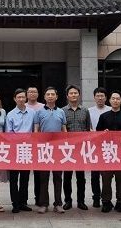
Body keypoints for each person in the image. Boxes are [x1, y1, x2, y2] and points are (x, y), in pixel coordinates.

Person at [96, 91, 121, 213]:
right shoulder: (104, 116)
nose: (115, 101)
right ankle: (106, 202)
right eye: (113, 98)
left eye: (118, 99)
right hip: (107, 152)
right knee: (106, 179)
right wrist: (104, 133)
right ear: (110, 100)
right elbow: (97, 133)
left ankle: (120, 202)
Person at [34, 86, 67, 214]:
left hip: (58, 149)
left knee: (58, 177)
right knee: (43, 178)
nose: (50, 96)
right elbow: (36, 130)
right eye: (48, 94)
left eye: (53, 94)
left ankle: (58, 204)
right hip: (44, 149)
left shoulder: (61, 112)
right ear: (44, 97)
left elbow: (64, 130)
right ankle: (43, 204)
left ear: (57, 97)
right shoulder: (39, 112)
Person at [6, 88, 36, 213]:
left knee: (25, 177)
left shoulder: (32, 113)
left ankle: (23, 202)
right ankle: (15, 203)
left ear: (26, 98)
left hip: (27, 149)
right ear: (15, 99)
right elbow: (9, 133)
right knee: (13, 178)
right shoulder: (10, 114)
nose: (21, 99)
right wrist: (20, 139)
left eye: (23, 97)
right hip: (14, 150)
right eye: (19, 97)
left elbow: (35, 130)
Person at [62, 85, 90, 211]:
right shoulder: (62, 111)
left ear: (79, 95)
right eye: (71, 93)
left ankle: (81, 201)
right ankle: (68, 201)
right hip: (67, 149)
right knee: (67, 177)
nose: (73, 95)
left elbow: (88, 129)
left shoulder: (85, 111)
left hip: (80, 149)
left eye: (75, 93)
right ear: (67, 96)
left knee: (81, 177)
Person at [87, 87, 110, 208]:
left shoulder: (111, 109)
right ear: (94, 97)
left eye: (102, 96)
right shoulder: (89, 111)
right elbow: (87, 127)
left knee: (107, 175)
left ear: (106, 98)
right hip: (94, 145)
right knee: (94, 174)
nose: (100, 98)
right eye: (98, 96)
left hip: (108, 146)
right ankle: (96, 197)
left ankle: (106, 198)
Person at [25, 85, 44, 205]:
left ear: (38, 94)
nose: (32, 93)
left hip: (39, 144)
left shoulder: (42, 107)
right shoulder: (22, 106)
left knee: (39, 173)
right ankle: (23, 200)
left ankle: (39, 198)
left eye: (34, 92)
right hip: (25, 145)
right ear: (26, 94)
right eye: (30, 92)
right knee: (25, 173)